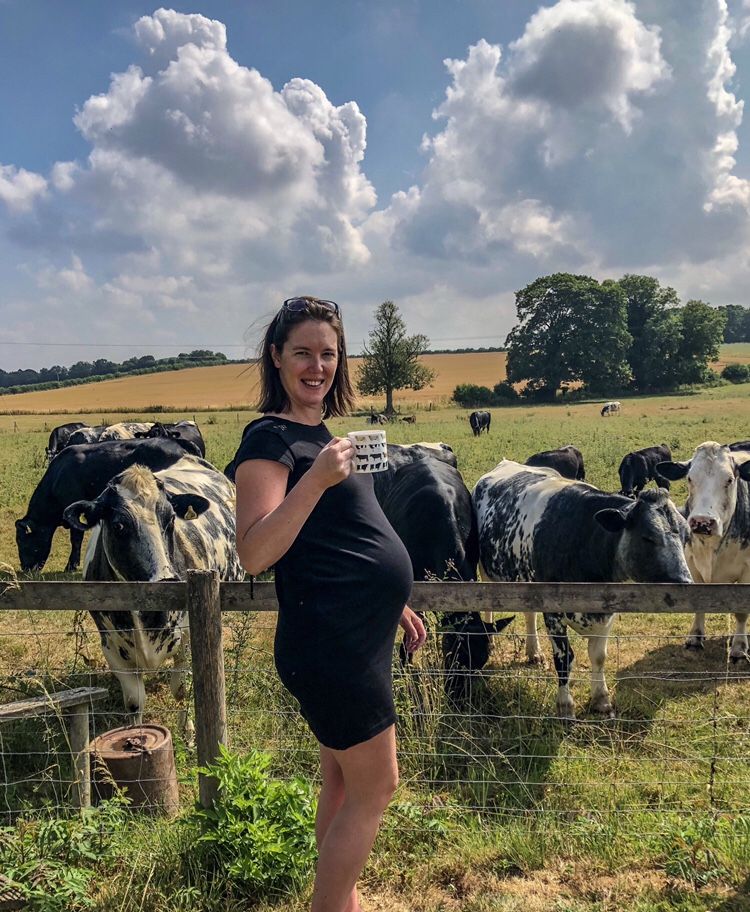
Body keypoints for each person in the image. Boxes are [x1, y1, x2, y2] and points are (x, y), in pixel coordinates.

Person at [233, 296, 426, 912]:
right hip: (331, 647)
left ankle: (342, 901)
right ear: (276, 358)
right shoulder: (269, 439)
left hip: (355, 634)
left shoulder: (321, 436)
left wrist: (388, 602)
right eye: (303, 353)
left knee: (342, 783)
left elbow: (338, 541)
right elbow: (256, 551)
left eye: (328, 354)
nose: (317, 366)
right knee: (378, 788)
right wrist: (315, 477)